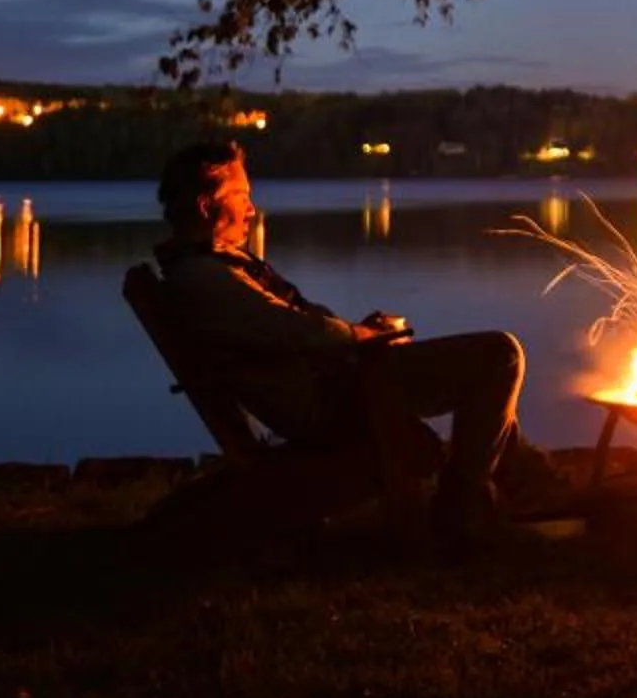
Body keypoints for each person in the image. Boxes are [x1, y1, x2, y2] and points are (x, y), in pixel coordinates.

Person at [150, 139, 527, 547]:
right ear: (207, 207)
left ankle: (517, 488)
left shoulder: (214, 267)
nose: (251, 210)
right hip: (332, 399)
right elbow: (289, 330)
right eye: (242, 196)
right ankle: (462, 510)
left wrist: (355, 334)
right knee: (498, 356)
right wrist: (357, 337)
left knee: (487, 368)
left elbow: (284, 328)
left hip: (336, 381)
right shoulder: (203, 277)